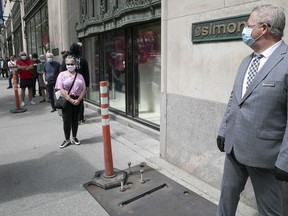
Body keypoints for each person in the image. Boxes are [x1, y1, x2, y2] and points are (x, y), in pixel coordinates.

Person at [216, 5, 288, 216]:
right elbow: (234, 99)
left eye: (248, 25)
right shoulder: (247, 61)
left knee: (270, 211)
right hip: (233, 148)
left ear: (263, 28)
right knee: (225, 201)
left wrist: (285, 160)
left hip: (265, 157)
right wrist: (223, 130)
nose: (245, 30)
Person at [55, 55, 86, 149]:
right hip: (66, 100)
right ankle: (67, 139)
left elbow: (84, 89)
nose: (70, 65)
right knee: (66, 120)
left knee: (75, 120)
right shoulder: (62, 75)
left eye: (72, 64)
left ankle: (74, 137)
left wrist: (79, 99)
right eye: (68, 64)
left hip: (77, 100)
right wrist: (70, 99)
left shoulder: (80, 76)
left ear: (75, 64)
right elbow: (60, 89)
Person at [62, 43, 89, 124]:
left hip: (68, 84)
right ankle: (80, 118)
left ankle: (69, 117)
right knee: (80, 100)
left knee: (68, 100)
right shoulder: (83, 60)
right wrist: (87, 85)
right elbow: (86, 73)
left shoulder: (66, 60)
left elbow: (61, 71)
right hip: (80, 83)